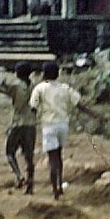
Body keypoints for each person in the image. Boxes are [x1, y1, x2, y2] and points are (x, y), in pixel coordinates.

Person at [29, 60, 96, 200]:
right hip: (63, 125)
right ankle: (59, 184)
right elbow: (79, 104)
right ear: (58, 74)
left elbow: (33, 107)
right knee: (59, 155)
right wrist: (95, 115)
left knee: (52, 158)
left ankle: (55, 191)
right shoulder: (65, 88)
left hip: (48, 125)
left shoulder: (40, 88)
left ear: (44, 74)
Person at [0, 61, 36, 193]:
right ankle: (30, 185)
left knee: (10, 152)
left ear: (17, 74)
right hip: (31, 123)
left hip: (17, 122)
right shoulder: (34, 86)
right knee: (29, 155)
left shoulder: (15, 85)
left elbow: (6, 88)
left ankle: (19, 175)